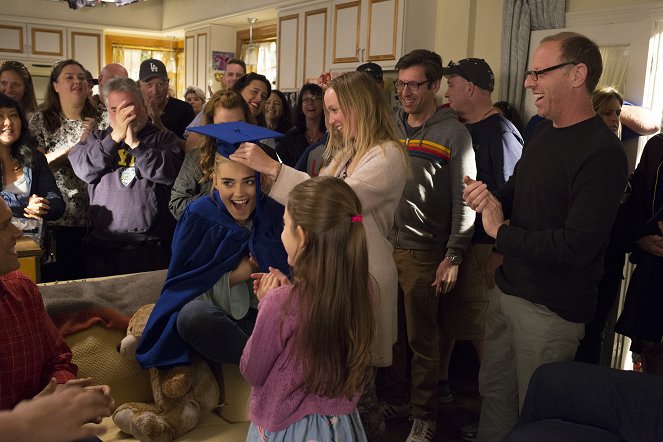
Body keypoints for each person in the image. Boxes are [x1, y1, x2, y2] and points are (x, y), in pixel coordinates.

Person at [463, 32, 628, 442]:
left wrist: (502, 234)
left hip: (551, 310)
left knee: (538, 418)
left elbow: (577, 245)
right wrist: (487, 197)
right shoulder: (542, 132)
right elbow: (517, 193)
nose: (528, 82)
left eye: (539, 72)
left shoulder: (603, 152)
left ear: (577, 74)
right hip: (509, 293)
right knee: (496, 398)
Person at [230, 71, 409, 439]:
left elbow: (334, 202)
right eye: (328, 112)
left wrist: (273, 169)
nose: (332, 120)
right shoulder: (344, 154)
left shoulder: (387, 154)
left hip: (363, 273)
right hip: (332, 271)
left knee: (359, 389)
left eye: (337, 110)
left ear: (361, 105)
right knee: (326, 376)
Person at [377, 49, 475, 442]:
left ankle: (424, 414)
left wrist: (454, 255)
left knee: (423, 339)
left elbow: (465, 200)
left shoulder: (454, 133)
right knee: (390, 334)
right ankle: (398, 399)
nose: (405, 92)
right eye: (400, 84)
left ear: (435, 86)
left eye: (414, 85)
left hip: (424, 252)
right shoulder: (390, 126)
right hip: (385, 246)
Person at [136, 121, 289, 370]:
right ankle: (261, 364)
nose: (240, 193)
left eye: (249, 181)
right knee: (191, 316)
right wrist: (238, 274)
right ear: (214, 180)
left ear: (261, 180)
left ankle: (266, 360)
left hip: (266, 321)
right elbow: (184, 286)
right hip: (219, 321)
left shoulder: (274, 214)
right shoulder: (199, 216)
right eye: (228, 182)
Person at [242, 176, 373, 441]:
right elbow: (317, 309)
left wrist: (271, 300)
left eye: (284, 225)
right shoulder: (364, 289)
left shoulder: (280, 304)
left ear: (301, 236)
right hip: (342, 428)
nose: (281, 233)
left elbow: (252, 370)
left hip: (286, 431)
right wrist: (289, 289)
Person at [440, 58, 523, 413]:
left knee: (482, 333)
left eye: (452, 84)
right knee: (454, 323)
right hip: (460, 246)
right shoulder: (462, 127)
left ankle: (495, 414)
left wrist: (498, 253)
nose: (447, 91)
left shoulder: (501, 133)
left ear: (470, 88)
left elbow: (514, 198)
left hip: (483, 250)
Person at [0, 196, 114, 439]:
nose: (18, 231)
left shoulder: (22, 289)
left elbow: (57, 359)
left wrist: (62, 390)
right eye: (3, 226)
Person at [69, 76, 183, 277]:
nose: (125, 115)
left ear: (143, 103)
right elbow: (83, 169)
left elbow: (168, 173)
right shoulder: (96, 139)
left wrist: (136, 145)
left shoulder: (164, 138)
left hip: (152, 248)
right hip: (104, 248)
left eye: (130, 106)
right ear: (107, 110)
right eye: (115, 109)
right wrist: (114, 139)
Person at [29, 59, 105, 282]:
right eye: (69, 77)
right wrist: (79, 146)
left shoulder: (102, 117)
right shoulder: (41, 120)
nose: (77, 82)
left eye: (81, 77)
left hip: (98, 217)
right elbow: (38, 163)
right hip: (59, 218)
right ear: (55, 86)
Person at [574, 86, 630, 365]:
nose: (614, 119)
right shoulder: (581, 152)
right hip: (580, 262)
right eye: (607, 112)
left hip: (609, 261)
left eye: (618, 113)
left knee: (595, 333)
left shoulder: (618, 152)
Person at [169, 89, 278, 220]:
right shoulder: (197, 157)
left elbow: (282, 203)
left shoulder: (265, 155)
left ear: (247, 122)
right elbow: (177, 205)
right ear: (211, 124)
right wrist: (218, 195)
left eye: (237, 125)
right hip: (210, 234)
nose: (230, 132)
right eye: (222, 126)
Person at [614, 132, 663, 375]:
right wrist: (640, 237)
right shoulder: (657, 147)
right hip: (653, 281)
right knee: (647, 365)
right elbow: (636, 205)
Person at [0, 93, 64, 222]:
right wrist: (25, 203)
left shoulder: (35, 158)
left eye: (13, 115)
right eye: (0, 116)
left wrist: (43, 206)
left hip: (29, 239)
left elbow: (57, 203)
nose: (8, 122)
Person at [138, 58, 195, 140]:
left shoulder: (184, 109)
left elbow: (190, 148)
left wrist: (160, 126)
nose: (155, 91)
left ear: (168, 83)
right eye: (149, 85)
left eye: (160, 84)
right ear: (140, 85)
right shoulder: (134, 109)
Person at [276, 83, 326, 167]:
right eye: (306, 99)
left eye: (316, 98)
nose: (310, 102)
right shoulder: (289, 137)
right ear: (301, 106)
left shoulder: (330, 135)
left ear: (323, 104)